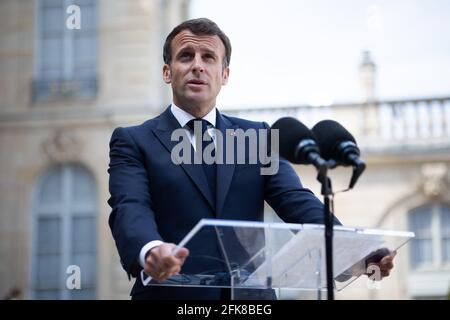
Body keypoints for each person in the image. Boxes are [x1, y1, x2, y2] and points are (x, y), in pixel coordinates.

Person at [107, 18, 396, 300]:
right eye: (186, 56)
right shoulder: (133, 141)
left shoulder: (257, 137)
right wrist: (151, 250)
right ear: (167, 72)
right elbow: (130, 207)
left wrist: (354, 251)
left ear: (225, 75)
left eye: (209, 57)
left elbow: (297, 201)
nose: (197, 65)